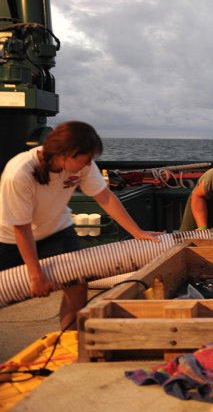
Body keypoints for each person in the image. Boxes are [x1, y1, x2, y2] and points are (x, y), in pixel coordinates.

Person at [0, 121, 161, 330]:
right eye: (85, 160)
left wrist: (137, 232)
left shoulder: (82, 165)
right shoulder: (19, 173)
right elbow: (21, 227)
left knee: (77, 286)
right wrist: (36, 275)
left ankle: (69, 336)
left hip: (57, 229)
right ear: (65, 154)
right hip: (12, 238)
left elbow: (105, 197)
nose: (88, 165)